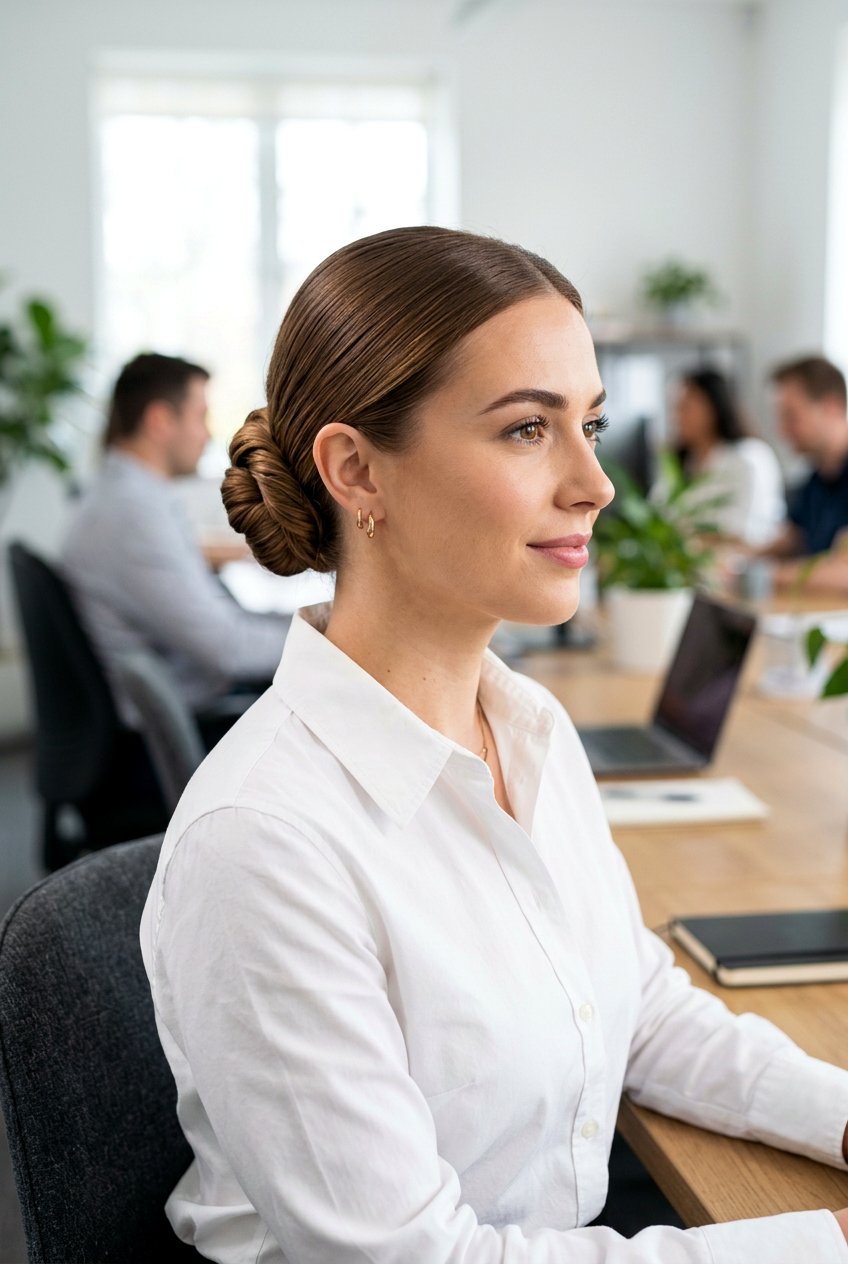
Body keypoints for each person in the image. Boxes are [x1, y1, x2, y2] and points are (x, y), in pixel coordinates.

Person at [141, 228, 848, 1263]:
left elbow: (633, 1004)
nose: (593, 484)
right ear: (355, 471)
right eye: (526, 429)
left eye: (591, 426)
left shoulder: (526, 724)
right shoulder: (262, 840)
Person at [62, 353, 289, 724]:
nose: (208, 434)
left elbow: (175, 558)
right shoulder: (133, 511)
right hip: (189, 718)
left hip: (170, 700)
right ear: (160, 421)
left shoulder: (119, 492)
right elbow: (228, 649)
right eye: (200, 417)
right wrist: (330, 630)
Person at [759, 355, 848, 592]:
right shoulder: (815, 479)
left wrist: (766, 575)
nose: (782, 430)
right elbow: (790, 539)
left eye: (791, 416)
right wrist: (737, 560)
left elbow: (844, 573)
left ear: (832, 407)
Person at [667, 367, 785, 547]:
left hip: (736, 567)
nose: (676, 417)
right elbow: (656, 516)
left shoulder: (748, 457)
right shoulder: (681, 461)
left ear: (713, 407)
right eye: (675, 408)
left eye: (685, 407)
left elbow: (741, 534)